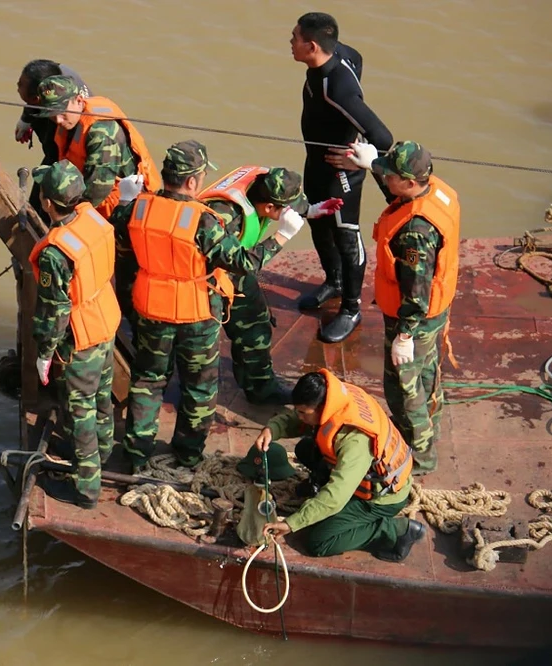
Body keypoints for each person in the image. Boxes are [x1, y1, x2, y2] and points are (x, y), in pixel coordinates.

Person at [108, 141, 307, 471]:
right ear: (192, 181)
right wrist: (281, 237)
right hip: (195, 314)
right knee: (199, 389)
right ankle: (187, 456)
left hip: (150, 308)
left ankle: (136, 454)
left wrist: (127, 199)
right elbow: (242, 262)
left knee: (147, 383)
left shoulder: (137, 209)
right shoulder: (204, 220)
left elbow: (118, 234)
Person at [343, 140, 461, 474]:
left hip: (413, 319)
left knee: (404, 390)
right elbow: (400, 200)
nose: (386, 178)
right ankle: (430, 428)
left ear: (409, 182)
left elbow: (416, 291)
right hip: (437, 311)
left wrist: (404, 336)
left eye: (390, 175)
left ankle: (421, 457)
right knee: (427, 375)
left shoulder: (415, 234)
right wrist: (373, 164)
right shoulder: (436, 189)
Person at [200, 166, 344, 404]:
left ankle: (259, 388)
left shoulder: (263, 184)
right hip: (204, 280)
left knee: (257, 325)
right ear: (268, 207)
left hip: (233, 273)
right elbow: (241, 262)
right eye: (287, 208)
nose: (291, 211)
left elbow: (285, 200)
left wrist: (310, 210)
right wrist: (282, 235)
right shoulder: (226, 217)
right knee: (200, 351)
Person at [291, 12, 394, 343]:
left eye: (294, 38)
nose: (290, 42)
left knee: (347, 237)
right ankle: (334, 281)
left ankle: (351, 308)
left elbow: (383, 137)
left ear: (312, 46)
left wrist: (361, 159)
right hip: (317, 162)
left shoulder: (338, 89)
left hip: (341, 173)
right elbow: (357, 58)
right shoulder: (340, 53)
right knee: (317, 222)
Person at [250, 370, 426, 561]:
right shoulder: (333, 396)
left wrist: (291, 523)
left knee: (319, 541)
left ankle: (396, 531)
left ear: (322, 409)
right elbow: (297, 417)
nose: (298, 416)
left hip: (380, 498)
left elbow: (336, 496)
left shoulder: (355, 441)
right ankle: (320, 485)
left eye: (303, 413)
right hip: (361, 472)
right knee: (305, 448)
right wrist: (272, 429)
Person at [36, 74, 163, 336]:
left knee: (127, 271)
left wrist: (67, 224)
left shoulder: (102, 133)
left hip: (125, 207)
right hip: (97, 204)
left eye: (61, 113)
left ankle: (137, 327)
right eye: (52, 115)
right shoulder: (70, 120)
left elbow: (97, 190)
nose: (58, 120)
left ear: (78, 100)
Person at [28, 160, 120, 509]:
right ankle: (104, 451)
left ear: (47, 202)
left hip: (80, 338)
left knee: (80, 410)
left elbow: (55, 310)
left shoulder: (55, 253)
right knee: (102, 396)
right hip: (105, 320)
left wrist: (44, 353)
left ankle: (87, 488)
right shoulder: (92, 218)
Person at [14, 59, 90, 221]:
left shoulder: (70, 120)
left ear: (39, 98)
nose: (17, 86)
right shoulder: (53, 73)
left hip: (72, 161)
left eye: (20, 85)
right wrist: (26, 120)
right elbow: (33, 101)